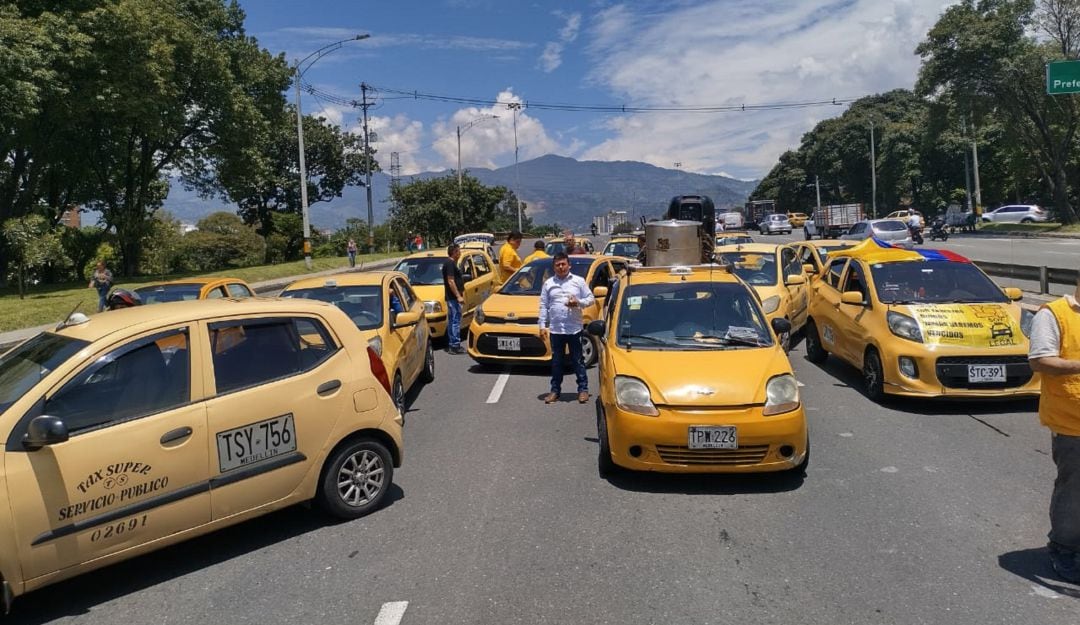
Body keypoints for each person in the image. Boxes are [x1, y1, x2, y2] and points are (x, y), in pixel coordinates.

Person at [1029, 272, 1080, 582]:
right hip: (1072, 424)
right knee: (1074, 491)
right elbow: (1040, 360)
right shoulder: (1054, 314)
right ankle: (1064, 548)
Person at [538, 252, 595, 404]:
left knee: (578, 360)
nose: (561, 267)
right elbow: (543, 305)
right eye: (558, 265)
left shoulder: (578, 281)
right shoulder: (548, 284)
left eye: (563, 264)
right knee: (557, 362)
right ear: (554, 267)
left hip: (574, 328)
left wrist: (578, 302)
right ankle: (555, 391)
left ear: (569, 265)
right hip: (556, 329)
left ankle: (583, 390)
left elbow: (591, 299)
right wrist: (542, 325)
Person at [442, 244, 466, 354]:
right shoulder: (450, 263)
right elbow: (451, 281)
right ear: (454, 252)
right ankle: (455, 345)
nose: (460, 253)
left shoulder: (450, 263)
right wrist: (458, 296)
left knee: (453, 320)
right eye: (458, 251)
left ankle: (453, 344)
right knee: (455, 320)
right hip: (452, 298)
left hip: (452, 298)